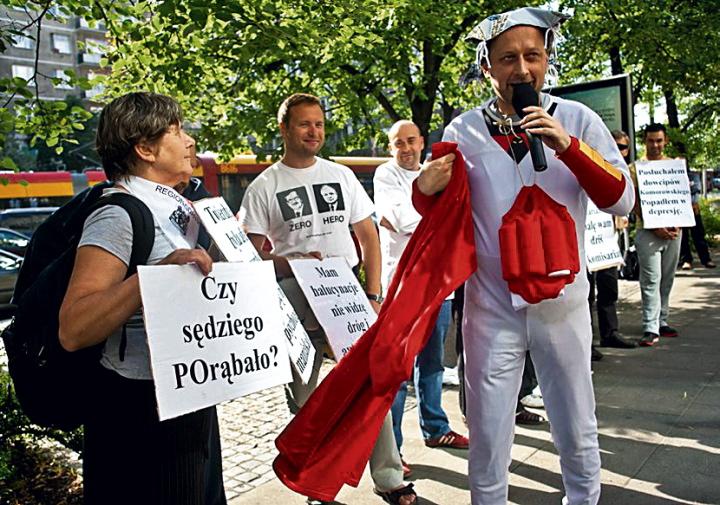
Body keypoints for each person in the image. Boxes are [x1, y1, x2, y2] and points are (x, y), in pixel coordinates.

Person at [415, 7, 634, 504]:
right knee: (488, 436)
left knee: (576, 425)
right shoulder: (463, 131)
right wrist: (422, 189)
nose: (522, 69)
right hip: (491, 308)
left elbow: (622, 199)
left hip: (564, 305)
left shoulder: (577, 119)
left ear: (547, 60)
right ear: (486, 66)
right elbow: (437, 212)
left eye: (533, 56)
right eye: (508, 58)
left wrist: (568, 146)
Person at [238, 93, 417, 505]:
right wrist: (288, 262)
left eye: (319, 124)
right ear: (284, 129)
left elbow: (369, 236)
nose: (314, 131)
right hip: (293, 297)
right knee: (305, 399)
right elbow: (247, 253)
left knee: (368, 386)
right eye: (304, 124)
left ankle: (389, 478)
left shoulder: (341, 175)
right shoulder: (265, 186)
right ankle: (316, 485)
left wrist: (373, 294)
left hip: (345, 292)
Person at [58, 92, 221, 504]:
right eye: (177, 131)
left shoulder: (173, 209)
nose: (189, 141)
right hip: (141, 411)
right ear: (145, 149)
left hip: (188, 396)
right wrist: (154, 277)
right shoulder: (118, 214)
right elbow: (74, 328)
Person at [373, 120, 469, 477]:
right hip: (403, 289)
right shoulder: (385, 175)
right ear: (390, 148)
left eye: (411, 141)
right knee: (398, 371)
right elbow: (399, 219)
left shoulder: (435, 171)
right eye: (398, 143)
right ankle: (393, 449)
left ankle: (435, 428)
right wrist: (433, 208)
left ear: (422, 142)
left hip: (439, 286)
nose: (406, 148)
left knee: (432, 363)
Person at [630, 123, 682, 346]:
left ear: (665, 141)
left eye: (659, 140)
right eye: (651, 141)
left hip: (673, 232)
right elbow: (634, 202)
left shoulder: (674, 166)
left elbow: (680, 198)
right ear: (645, 141)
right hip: (648, 232)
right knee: (651, 280)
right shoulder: (636, 168)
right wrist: (654, 226)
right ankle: (650, 327)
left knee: (667, 279)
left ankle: (662, 321)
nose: (655, 145)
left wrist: (677, 223)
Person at [587, 130, 637, 352]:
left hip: (607, 240)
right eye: (614, 145)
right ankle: (586, 342)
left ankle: (610, 333)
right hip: (587, 238)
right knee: (587, 291)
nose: (618, 150)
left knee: (609, 286)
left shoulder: (621, 170)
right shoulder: (592, 163)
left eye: (622, 147)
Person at [678, 170, 716, 270]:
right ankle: (686, 260)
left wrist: (694, 203)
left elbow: (695, 189)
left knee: (699, 234)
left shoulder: (693, 175)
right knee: (683, 237)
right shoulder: (673, 175)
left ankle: (706, 259)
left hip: (693, 209)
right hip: (679, 210)